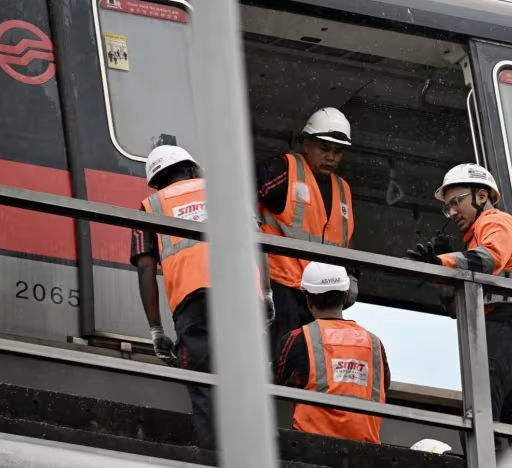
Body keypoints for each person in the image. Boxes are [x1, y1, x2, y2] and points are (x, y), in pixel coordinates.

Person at [131, 145, 267, 450]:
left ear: (156, 182)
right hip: (242, 295)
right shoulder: (225, 193)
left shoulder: (150, 206)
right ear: (192, 169)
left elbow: (145, 269)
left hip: (193, 303)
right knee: (247, 379)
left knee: (205, 384)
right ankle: (255, 451)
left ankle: (214, 453)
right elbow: (258, 243)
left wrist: (156, 330)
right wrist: (267, 294)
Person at [405, 163, 512, 432]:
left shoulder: (494, 220)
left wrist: (442, 262)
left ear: (482, 196)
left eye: (456, 202)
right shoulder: (476, 240)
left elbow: (490, 259)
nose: (452, 212)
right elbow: (456, 308)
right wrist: (442, 272)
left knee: (480, 416)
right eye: (448, 207)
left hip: (508, 325)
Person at [257, 107, 358, 355]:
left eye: (337, 151)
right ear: (306, 143)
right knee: (281, 354)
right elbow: (242, 191)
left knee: (312, 359)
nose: (330, 157)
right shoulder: (284, 169)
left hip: (323, 294)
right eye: (324, 148)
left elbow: (344, 242)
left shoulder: (343, 189)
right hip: (282, 285)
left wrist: (353, 276)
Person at [272, 262, 390, 443]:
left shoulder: (299, 338)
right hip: (365, 450)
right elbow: (384, 385)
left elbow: (274, 378)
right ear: (345, 296)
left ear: (308, 300)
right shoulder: (375, 343)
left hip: (312, 447)